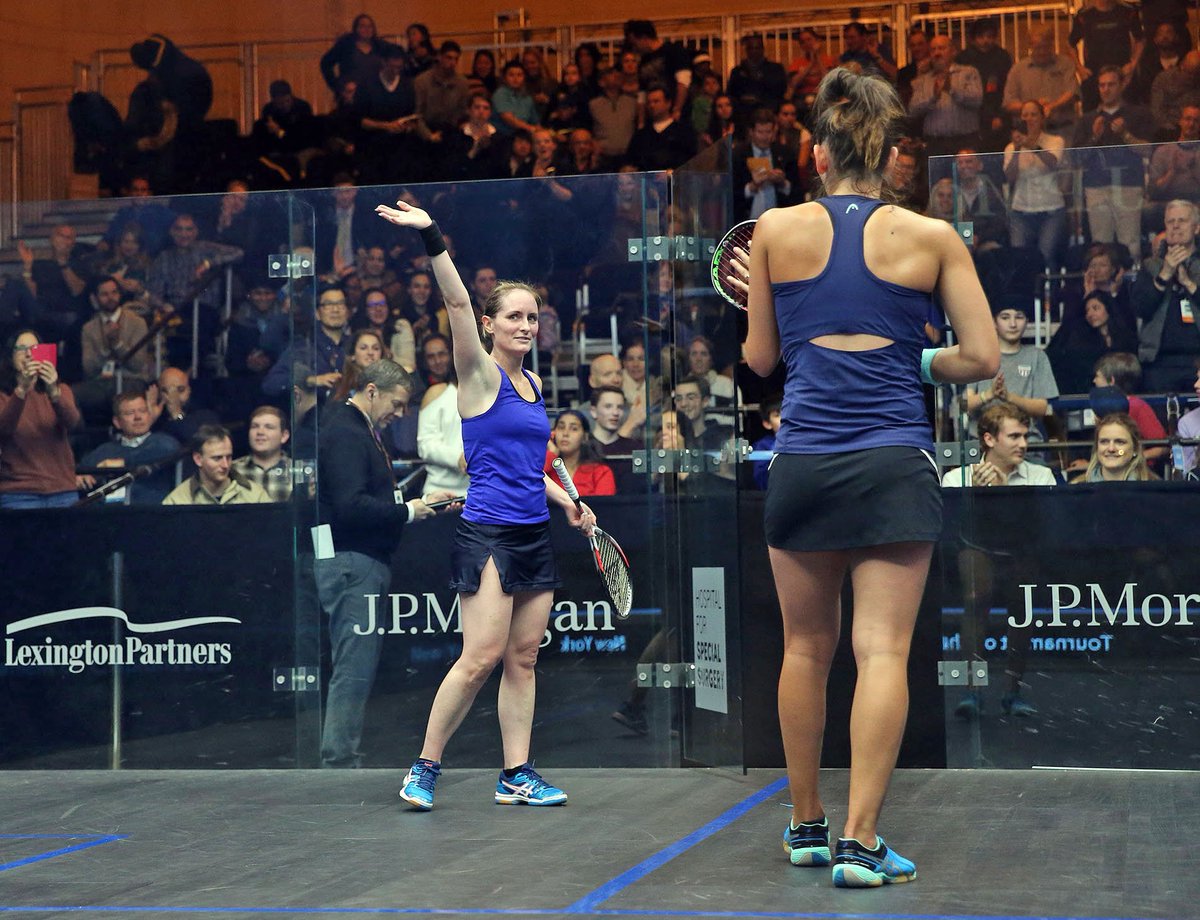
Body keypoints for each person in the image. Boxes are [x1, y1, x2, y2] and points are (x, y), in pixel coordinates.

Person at [739, 67, 998, 886]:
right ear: (890, 157)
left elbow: (759, 361)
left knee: (804, 649)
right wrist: (914, 357)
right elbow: (982, 358)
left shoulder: (774, 231)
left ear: (818, 154)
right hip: (892, 463)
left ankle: (806, 827)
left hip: (803, 463)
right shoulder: (933, 237)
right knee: (881, 650)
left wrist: (765, 306)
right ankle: (859, 842)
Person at [374, 196, 596, 809]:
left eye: (533, 317)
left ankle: (516, 774)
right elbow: (453, 303)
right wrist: (431, 235)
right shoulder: (478, 374)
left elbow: (529, 466)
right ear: (490, 324)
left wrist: (567, 501)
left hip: (533, 532)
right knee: (480, 658)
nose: (525, 325)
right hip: (488, 534)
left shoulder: (533, 384)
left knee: (523, 658)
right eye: (514, 316)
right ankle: (424, 767)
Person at [315, 358, 455, 767]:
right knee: (354, 666)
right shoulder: (345, 432)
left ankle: (341, 757)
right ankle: (339, 762)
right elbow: (350, 506)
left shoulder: (359, 430)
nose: (401, 412)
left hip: (360, 559)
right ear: (372, 390)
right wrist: (409, 511)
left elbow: (367, 499)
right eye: (397, 403)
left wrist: (418, 503)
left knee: (356, 664)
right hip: (352, 561)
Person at [940, 402, 1056, 720]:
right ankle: (972, 690)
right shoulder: (957, 478)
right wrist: (975, 496)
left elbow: (1042, 527)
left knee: (1022, 609)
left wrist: (1003, 495)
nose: (1023, 443)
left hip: (1021, 551)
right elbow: (951, 529)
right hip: (976, 550)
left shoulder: (1041, 475)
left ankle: (1012, 691)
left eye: (1025, 436)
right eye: (1014, 436)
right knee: (976, 596)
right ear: (989, 439)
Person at [0, 328, 82, 509]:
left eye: (35, 349)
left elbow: (73, 422)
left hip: (62, 489)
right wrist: (21, 391)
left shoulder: (61, 389)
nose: (29, 354)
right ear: (11, 356)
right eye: (22, 349)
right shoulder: (3, 395)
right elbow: (4, 429)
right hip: (19, 492)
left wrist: (54, 392)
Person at [964, 302, 1060, 447]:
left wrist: (1009, 397)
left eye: (1019, 317)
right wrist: (989, 394)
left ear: (1027, 321)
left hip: (1026, 443)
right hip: (983, 443)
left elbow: (1042, 408)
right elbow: (964, 405)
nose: (1013, 324)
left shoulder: (1037, 356)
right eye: (1005, 317)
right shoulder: (980, 356)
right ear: (994, 322)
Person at [1131, 199, 1200, 392]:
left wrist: (1189, 284)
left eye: (1182, 220)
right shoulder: (1150, 266)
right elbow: (1140, 308)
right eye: (1170, 221)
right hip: (1159, 362)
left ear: (1196, 228)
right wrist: (1164, 276)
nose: (1175, 226)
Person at [79, 391, 181, 504]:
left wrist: (124, 462)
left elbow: (169, 449)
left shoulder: (162, 441)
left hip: (151, 511)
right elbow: (80, 471)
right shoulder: (105, 450)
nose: (138, 417)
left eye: (143, 411)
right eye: (129, 413)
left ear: (149, 415)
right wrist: (79, 479)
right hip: (110, 511)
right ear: (117, 422)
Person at [1003, 100, 1067, 273]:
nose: (1029, 119)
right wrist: (1017, 149)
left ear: (1042, 118)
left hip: (1051, 210)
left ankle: (1047, 289)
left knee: (1045, 256)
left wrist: (1031, 145)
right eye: (1025, 115)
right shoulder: (1011, 147)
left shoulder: (1055, 141)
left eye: (1033, 115)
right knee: (1020, 259)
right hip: (1021, 211)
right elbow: (1010, 177)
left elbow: (1053, 162)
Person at [907, 35, 982, 158]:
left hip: (965, 142)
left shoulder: (968, 72)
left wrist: (952, 89)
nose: (937, 53)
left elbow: (976, 100)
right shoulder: (923, 80)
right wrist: (933, 98)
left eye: (941, 48)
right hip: (935, 144)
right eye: (933, 50)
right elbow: (913, 110)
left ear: (953, 51)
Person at [163, 424, 272, 505]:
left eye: (228, 457)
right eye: (217, 458)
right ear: (198, 459)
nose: (225, 465)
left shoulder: (255, 496)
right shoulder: (178, 501)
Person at [1001, 26, 1080, 132]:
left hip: (1063, 129)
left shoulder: (1065, 64)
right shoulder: (1018, 70)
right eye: (1038, 48)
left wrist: (1052, 106)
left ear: (1052, 43)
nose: (1042, 51)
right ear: (1030, 45)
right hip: (1029, 132)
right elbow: (1009, 104)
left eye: (1046, 47)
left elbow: (1072, 93)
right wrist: (1034, 107)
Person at [543, 409, 616, 496]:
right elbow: (531, 485)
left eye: (574, 429)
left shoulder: (600, 472)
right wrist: (552, 453)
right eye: (561, 427)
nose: (565, 433)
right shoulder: (546, 469)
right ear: (553, 433)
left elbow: (605, 504)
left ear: (585, 437)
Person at [1069, 412, 1158, 481]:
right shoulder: (1077, 488)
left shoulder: (1154, 489)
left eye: (1120, 442)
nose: (1111, 449)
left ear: (1135, 448)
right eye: (1104, 442)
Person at [320, 14, 393, 96]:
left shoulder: (380, 46)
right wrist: (338, 86)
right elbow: (325, 63)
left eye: (370, 26)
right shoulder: (345, 46)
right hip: (352, 95)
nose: (367, 29)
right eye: (362, 26)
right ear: (355, 28)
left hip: (376, 94)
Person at [232, 406, 293, 502]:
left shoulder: (296, 471)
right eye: (255, 426)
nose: (260, 432)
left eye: (269, 427)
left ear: (284, 436)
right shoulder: (232, 470)